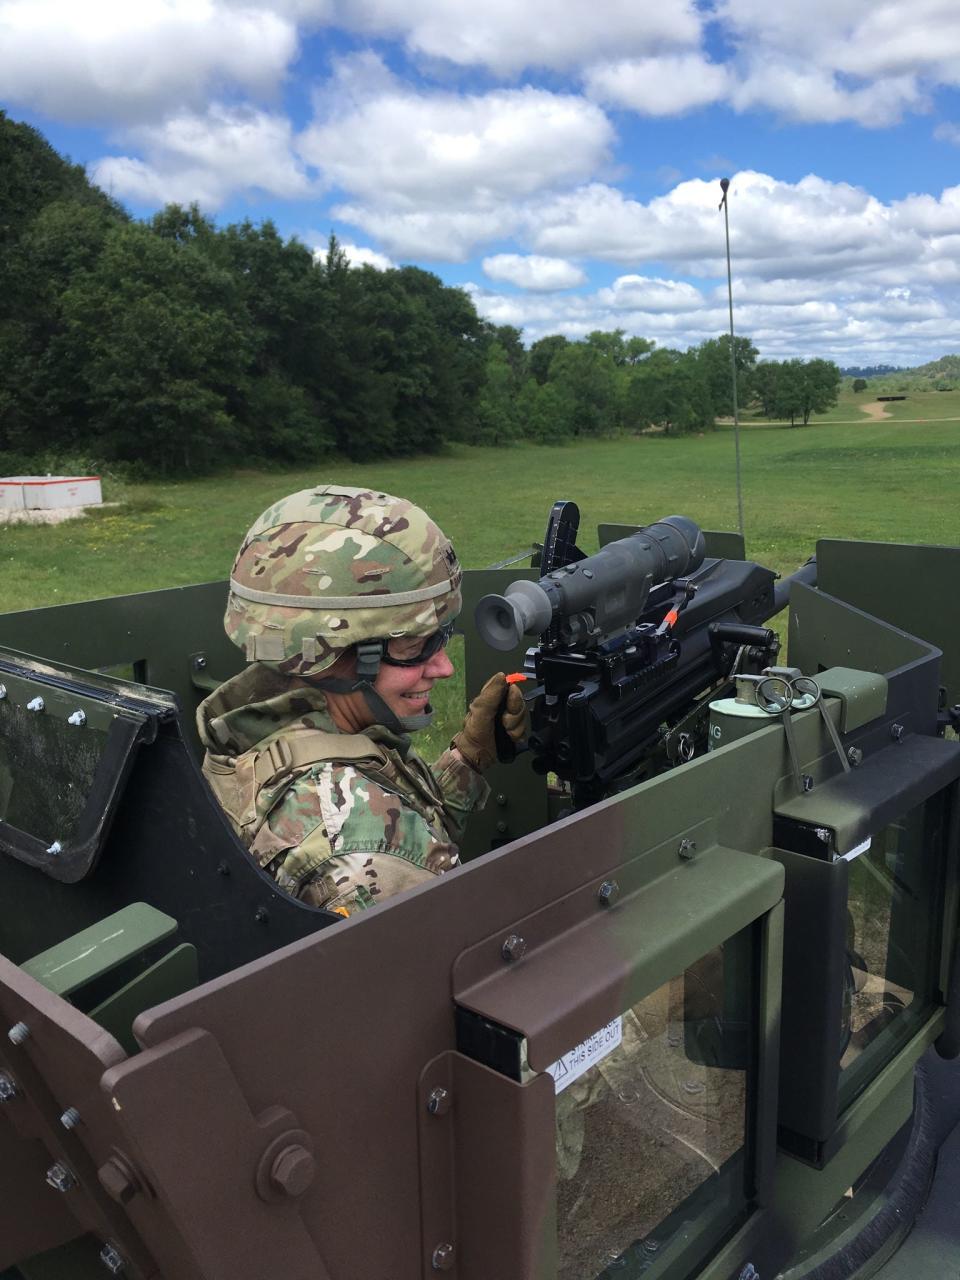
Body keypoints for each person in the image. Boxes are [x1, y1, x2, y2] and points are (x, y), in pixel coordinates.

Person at [197, 484, 526, 915]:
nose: (444, 668)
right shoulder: (368, 853)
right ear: (332, 653)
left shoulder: (261, 726)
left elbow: (396, 824)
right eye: (413, 649)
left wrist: (467, 760)